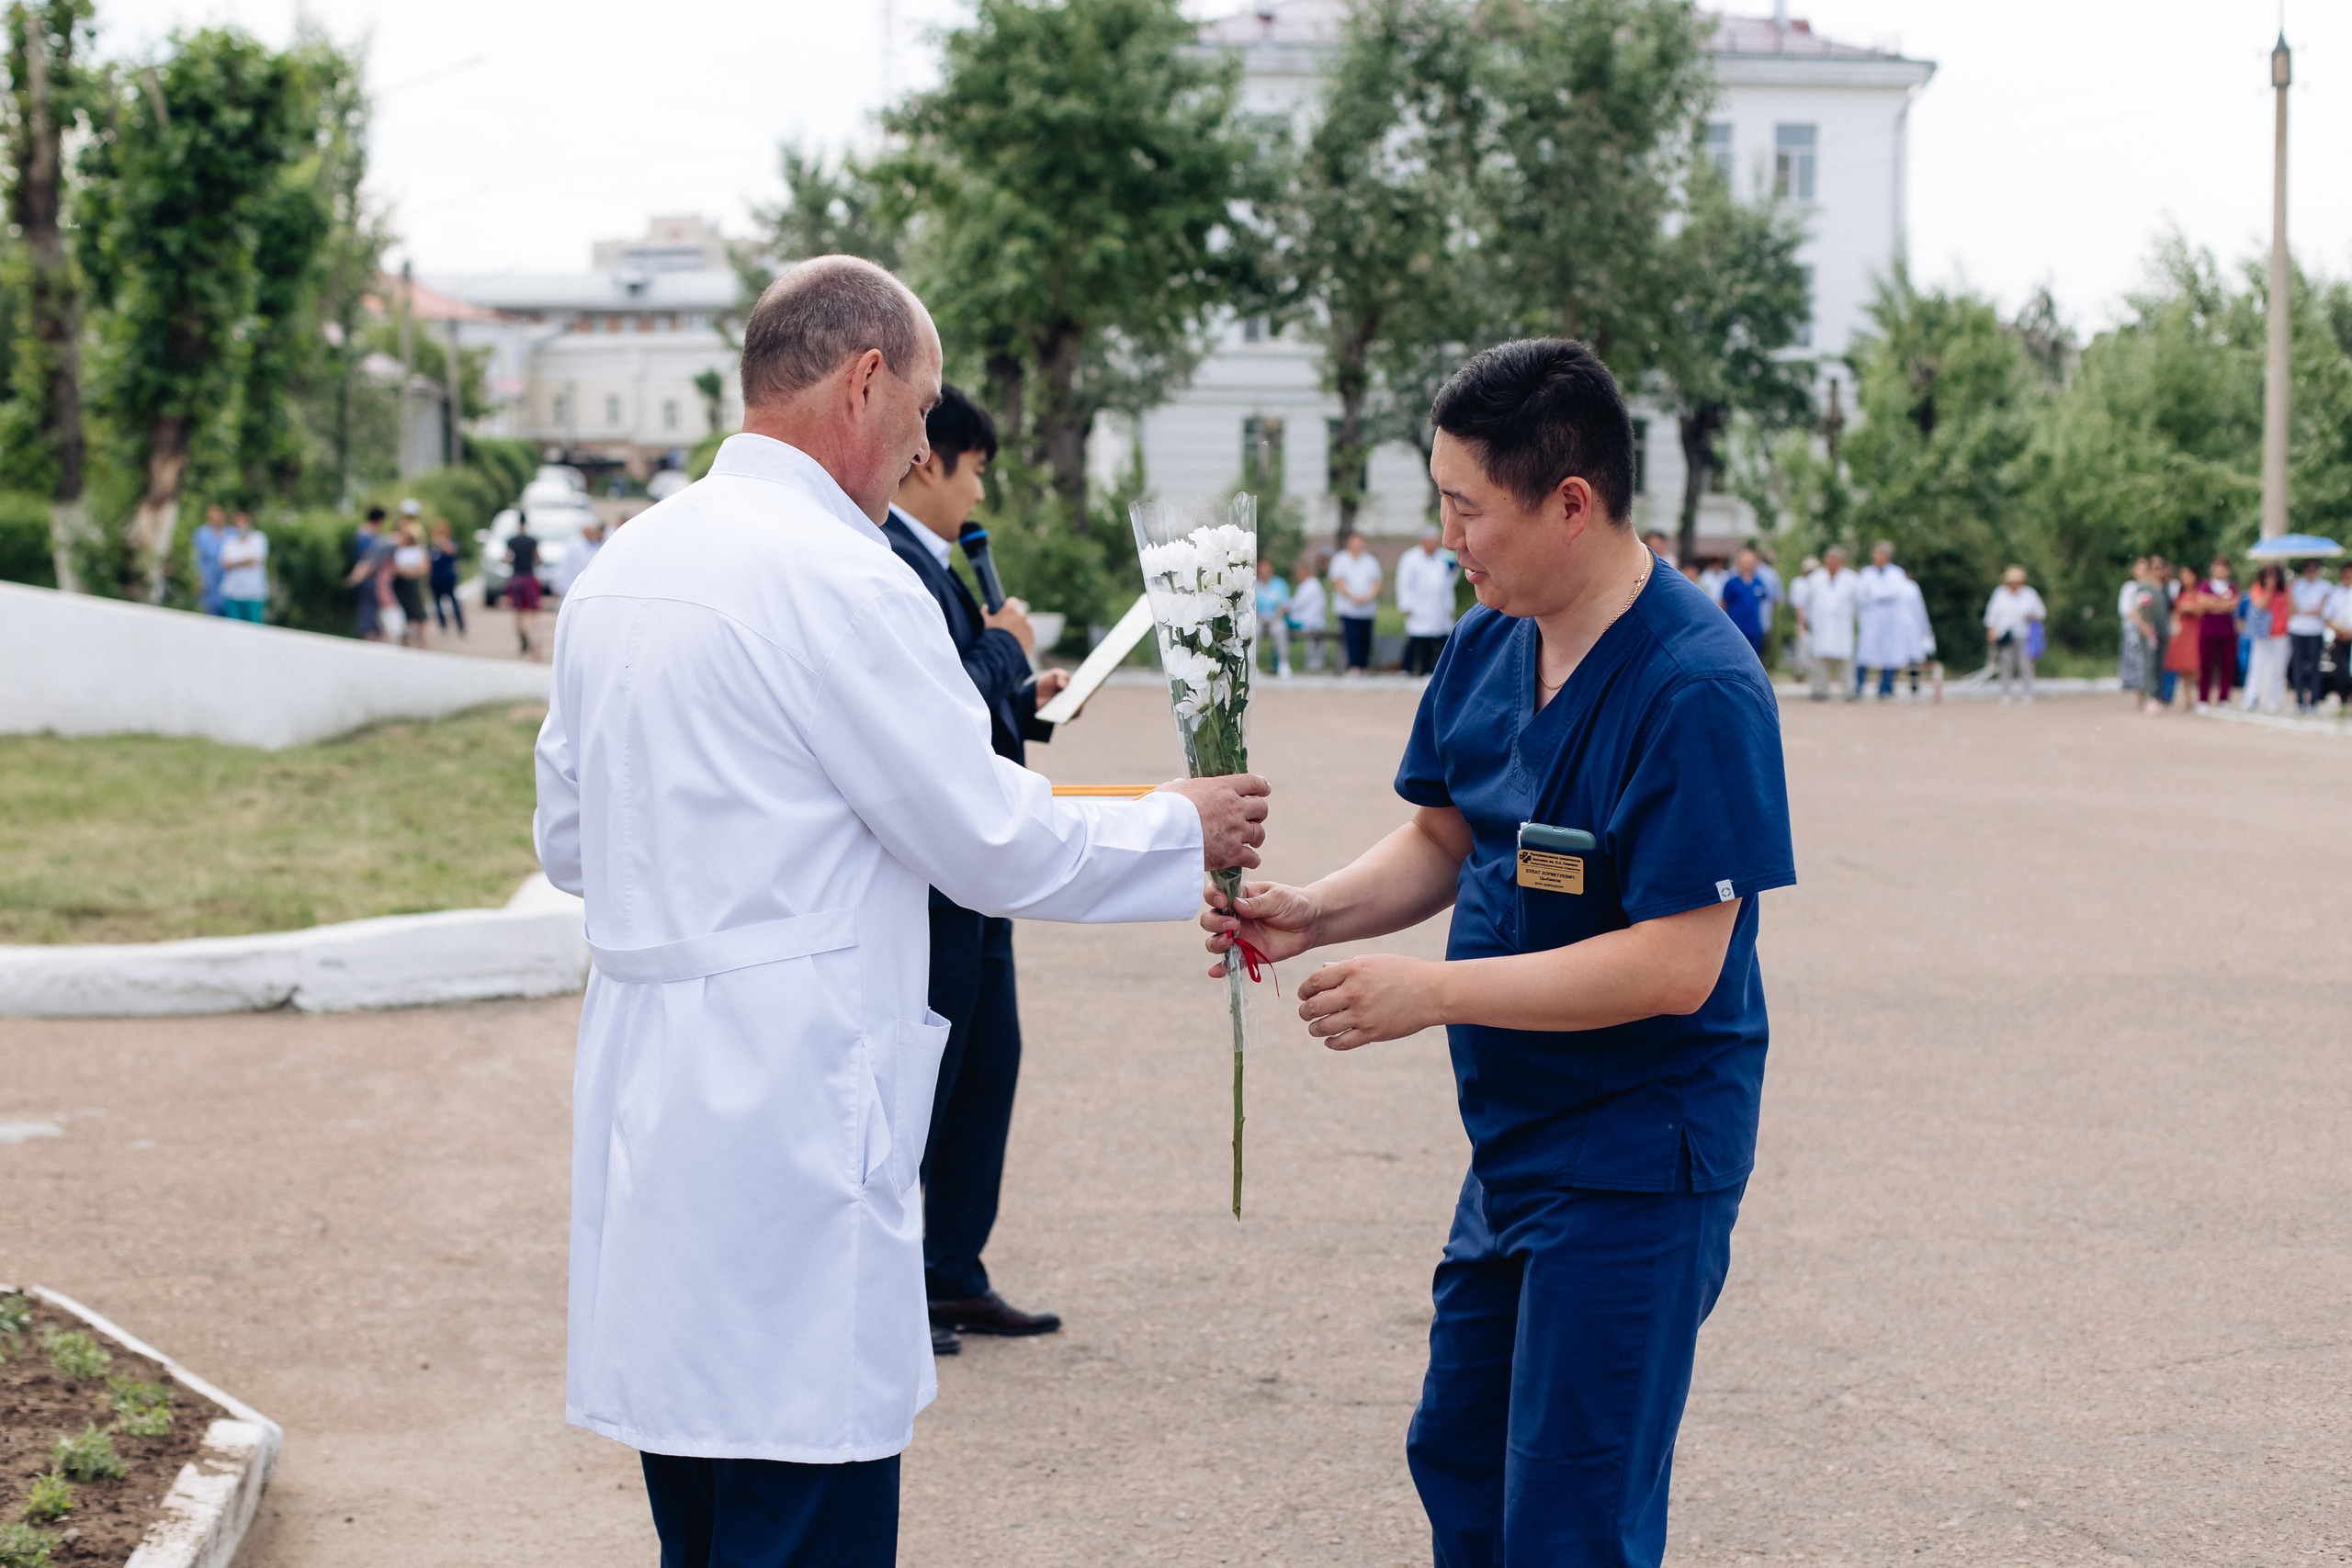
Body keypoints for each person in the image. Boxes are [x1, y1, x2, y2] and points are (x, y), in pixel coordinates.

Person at [534, 256, 1272, 1567]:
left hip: (653, 1093)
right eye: (924, 408)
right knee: (804, 1483)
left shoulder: (624, 564)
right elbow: (986, 835)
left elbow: (572, 840)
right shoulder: (841, 576)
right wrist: (1179, 823)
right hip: (789, 1095)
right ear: (866, 378)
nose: (926, 443)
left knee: (697, 1495)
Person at [1204, 338, 1791, 1568]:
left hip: (1638, 1152)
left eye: (1469, 507)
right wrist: (1314, 912)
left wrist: (1433, 992)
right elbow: (1445, 831)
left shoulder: (1697, 687)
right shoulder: (1489, 641)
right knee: (1462, 1456)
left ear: (1571, 502)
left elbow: (1679, 961)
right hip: (1517, 1141)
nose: (1450, 538)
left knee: (1571, 1514)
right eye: (1442, 504)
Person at [878, 382, 1076, 1359]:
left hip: (979, 872)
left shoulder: (936, 567)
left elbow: (969, 706)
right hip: (934, 876)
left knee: (985, 1067)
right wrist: (1001, 650)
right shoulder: (889, 567)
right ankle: (899, 1282)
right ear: (929, 460)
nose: (976, 495)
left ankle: (953, 1271)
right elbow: (935, 715)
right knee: (935, 1073)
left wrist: (1025, 693)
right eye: (977, 472)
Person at [1396, 525, 1458, 676]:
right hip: (1418, 605)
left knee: (1435, 638)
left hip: (1438, 605)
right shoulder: (1410, 558)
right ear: (1424, 540)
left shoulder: (1443, 557)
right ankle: (1407, 668)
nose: (1434, 544)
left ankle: (1428, 669)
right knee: (1416, 638)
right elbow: (1403, 583)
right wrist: (1406, 605)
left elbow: (1450, 580)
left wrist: (1450, 605)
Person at [1798, 546, 1858, 701]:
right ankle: (1819, 690)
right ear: (1826, 561)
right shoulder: (1816, 578)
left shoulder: (1851, 578)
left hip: (1842, 625)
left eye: (1836, 561)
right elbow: (1806, 601)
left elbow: (1858, 603)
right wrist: (1805, 621)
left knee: (1846, 661)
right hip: (1820, 625)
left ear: (1841, 562)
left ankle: (1849, 691)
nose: (1833, 564)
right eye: (1830, 561)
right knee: (1819, 661)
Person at [1984, 566, 2045, 705]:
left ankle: (2027, 693)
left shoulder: (2030, 594)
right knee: (2005, 664)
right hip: (2005, 635)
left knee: (2025, 664)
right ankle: (2006, 694)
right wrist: (1992, 630)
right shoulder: (1999, 594)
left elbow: (2041, 612)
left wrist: (2032, 616)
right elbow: (1992, 614)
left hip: (2024, 634)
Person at [1854, 540, 1907, 699]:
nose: (1876, 558)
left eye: (1880, 555)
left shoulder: (1897, 573)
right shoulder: (1866, 573)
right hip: (1870, 619)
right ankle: (1858, 686)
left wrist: (1875, 595)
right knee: (1864, 653)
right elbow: (1862, 594)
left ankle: (1885, 688)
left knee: (1888, 654)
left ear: (1887, 556)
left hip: (1889, 620)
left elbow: (1893, 593)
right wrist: (1877, 595)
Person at [1330, 531, 1383, 673]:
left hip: (1367, 608)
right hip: (1347, 607)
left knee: (1365, 638)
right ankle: (1353, 666)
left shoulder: (1370, 561)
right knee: (1351, 638)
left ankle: (1364, 666)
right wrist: (1353, 597)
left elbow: (1376, 582)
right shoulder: (1340, 559)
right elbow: (1338, 581)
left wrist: (1367, 596)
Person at [2238, 563, 2288, 714]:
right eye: (2268, 574)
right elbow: (2261, 605)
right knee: (2256, 667)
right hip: (2262, 634)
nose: (2271, 578)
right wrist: (2269, 590)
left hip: (2280, 634)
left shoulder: (2285, 591)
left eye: (2274, 574)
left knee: (2278, 669)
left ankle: (2274, 701)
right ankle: (2250, 698)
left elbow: (2291, 610)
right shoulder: (2258, 588)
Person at [2189, 557, 2238, 710]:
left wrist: (2213, 603)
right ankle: (2203, 699)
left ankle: (2224, 698)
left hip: (2227, 632)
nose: (2220, 570)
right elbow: (2201, 603)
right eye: (2217, 567)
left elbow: (2232, 605)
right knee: (2205, 666)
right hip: (2207, 631)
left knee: (2227, 666)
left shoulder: (2232, 587)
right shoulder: (2204, 585)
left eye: (2223, 567)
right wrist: (2221, 603)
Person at [2289, 558, 2331, 714]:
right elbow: (2292, 609)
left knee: (2314, 668)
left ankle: (2313, 702)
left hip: (2315, 631)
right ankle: (2299, 701)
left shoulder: (2325, 586)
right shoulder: (2297, 585)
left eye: (2313, 569)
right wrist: (2291, 590)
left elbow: (2320, 610)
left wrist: (2303, 612)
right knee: (2298, 667)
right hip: (2297, 630)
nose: (2310, 572)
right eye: (2308, 569)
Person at [2163, 562, 2204, 710]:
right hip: (2182, 631)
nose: (2185, 578)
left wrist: (2188, 608)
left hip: (2196, 630)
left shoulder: (2200, 592)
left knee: (2196, 666)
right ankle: (2187, 700)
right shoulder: (2179, 593)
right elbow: (2175, 612)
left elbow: (2201, 609)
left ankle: (2200, 697)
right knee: (2184, 667)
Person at [1716, 546, 1769, 662]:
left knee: (1755, 658)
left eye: (1751, 562)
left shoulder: (1758, 582)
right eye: (1745, 562)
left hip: (1754, 627)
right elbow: (1723, 604)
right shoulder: (1731, 583)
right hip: (1736, 626)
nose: (1748, 565)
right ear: (1739, 563)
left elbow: (1764, 600)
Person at [216, 511, 268, 623]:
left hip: (253, 593)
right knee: (233, 627)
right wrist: (244, 562)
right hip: (233, 592)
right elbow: (224, 563)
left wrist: (234, 563)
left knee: (255, 625)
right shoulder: (230, 541)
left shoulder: (258, 538)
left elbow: (255, 560)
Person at [349, 507, 389, 640]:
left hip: (368, 577)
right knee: (368, 611)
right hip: (367, 578)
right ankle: (370, 639)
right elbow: (367, 560)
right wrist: (357, 575)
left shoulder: (363, 533)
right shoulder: (368, 536)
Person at [1895, 567, 1935, 697]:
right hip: (1911, 626)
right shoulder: (1912, 587)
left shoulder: (1894, 586)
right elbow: (1920, 609)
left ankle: (1890, 686)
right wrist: (1925, 626)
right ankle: (1914, 685)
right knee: (1912, 658)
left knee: (1897, 657)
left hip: (1900, 627)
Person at [507, 514, 542, 656]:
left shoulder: (512, 541)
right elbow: (538, 559)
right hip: (529, 578)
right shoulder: (532, 541)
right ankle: (530, 634)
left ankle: (522, 639)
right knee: (530, 611)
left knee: (517, 611)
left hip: (516, 579)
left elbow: (506, 558)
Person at [392, 519, 431, 649]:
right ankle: (406, 639)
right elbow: (396, 569)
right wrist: (412, 570)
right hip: (402, 586)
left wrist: (407, 571)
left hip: (413, 585)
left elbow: (424, 567)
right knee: (407, 613)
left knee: (419, 613)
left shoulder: (418, 550)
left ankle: (422, 642)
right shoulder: (397, 549)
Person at [1289, 555, 1329, 673]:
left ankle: (1282, 662)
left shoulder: (1310, 585)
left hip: (1310, 623)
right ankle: (1313, 666)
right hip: (1312, 621)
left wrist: (1283, 608)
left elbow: (1296, 604)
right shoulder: (1311, 584)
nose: (1296, 576)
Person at [1254, 557, 1294, 677]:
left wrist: (1275, 617)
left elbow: (1284, 604)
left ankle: (1283, 662)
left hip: (1275, 617)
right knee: (1254, 631)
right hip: (1258, 618)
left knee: (1280, 629)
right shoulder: (1254, 585)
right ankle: (1252, 663)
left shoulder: (1280, 584)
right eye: (1262, 571)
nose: (1264, 574)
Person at [2118, 558, 2148, 704]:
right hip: (2133, 629)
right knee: (2135, 661)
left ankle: (2148, 689)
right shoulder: (2129, 587)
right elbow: (2125, 610)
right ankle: (2138, 690)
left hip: (2148, 629)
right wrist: (2140, 622)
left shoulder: (2150, 587)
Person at [1784, 554, 1819, 679]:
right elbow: (1798, 605)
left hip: (1817, 620)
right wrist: (1802, 621)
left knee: (1814, 648)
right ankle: (1800, 672)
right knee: (1802, 647)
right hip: (1804, 620)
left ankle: (1813, 673)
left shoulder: (1817, 583)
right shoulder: (1798, 583)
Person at [428, 521, 466, 636]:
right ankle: (443, 625)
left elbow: (452, 552)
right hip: (436, 577)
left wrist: (442, 543)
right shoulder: (432, 546)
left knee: (454, 601)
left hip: (448, 577)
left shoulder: (451, 543)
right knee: (437, 603)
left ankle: (460, 625)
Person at [552, 521, 605, 600]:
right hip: (571, 585)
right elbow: (564, 567)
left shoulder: (593, 545)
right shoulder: (575, 545)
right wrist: (558, 585)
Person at [2324, 561, 2352, 712]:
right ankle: (2343, 701)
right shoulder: (2336, 592)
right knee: (2341, 671)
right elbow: (2327, 616)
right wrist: (2339, 630)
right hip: (2340, 636)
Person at [193, 505, 228, 616]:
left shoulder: (231, 534)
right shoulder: (201, 534)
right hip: (208, 582)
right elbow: (196, 559)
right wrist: (198, 579)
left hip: (227, 582)